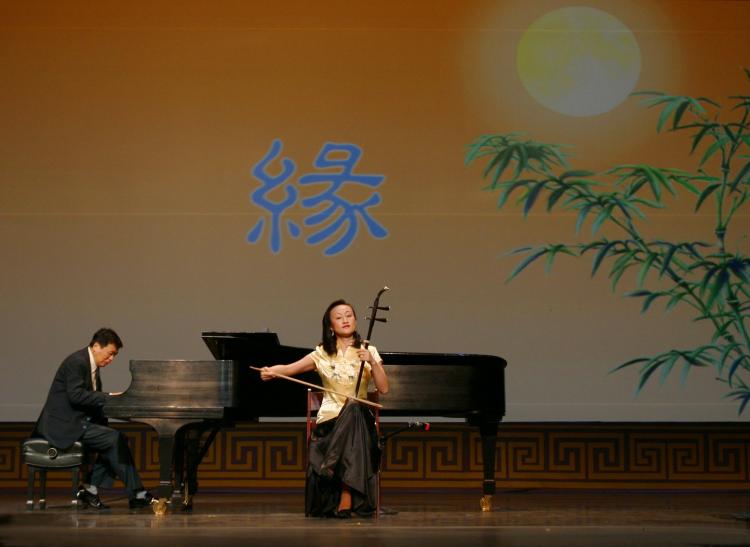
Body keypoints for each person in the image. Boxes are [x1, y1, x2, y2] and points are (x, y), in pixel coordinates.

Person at [261, 299, 389, 518]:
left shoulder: (369, 351)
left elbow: (384, 389)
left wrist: (372, 362)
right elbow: (290, 369)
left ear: (356, 321)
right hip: (329, 424)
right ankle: (344, 488)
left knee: (355, 409)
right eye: (338, 317)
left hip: (360, 424)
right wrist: (272, 371)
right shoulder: (321, 353)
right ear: (331, 326)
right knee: (350, 413)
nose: (345, 320)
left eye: (349, 315)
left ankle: (343, 488)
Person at [33, 328, 153, 510]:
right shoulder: (77, 362)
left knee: (116, 439)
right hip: (62, 425)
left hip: (77, 422)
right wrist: (110, 396)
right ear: (96, 346)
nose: (111, 359)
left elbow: (92, 402)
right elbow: (77, 396)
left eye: (115, 356)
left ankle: (95, 490)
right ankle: (135, 493)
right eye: (110, 353)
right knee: (114, 439)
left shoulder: (91, 365)